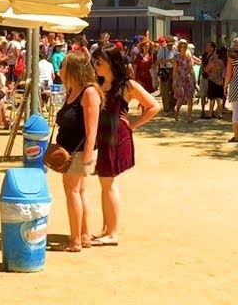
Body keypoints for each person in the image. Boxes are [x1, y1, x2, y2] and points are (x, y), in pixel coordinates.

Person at [92, 46, 161, 246]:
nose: (96, 66)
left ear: (111, 62)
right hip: (104, 136)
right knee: (105, 184)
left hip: (117, 135)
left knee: (108, 183)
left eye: (100, 62)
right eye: (95, 62)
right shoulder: (100, 83)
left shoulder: (127, 85)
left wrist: (132, 125)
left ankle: (112, 232)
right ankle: (106, 228)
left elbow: (153, 106)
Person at [54, 50, 102, 252]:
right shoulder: (72, 90)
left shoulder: (89, 92)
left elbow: (92, 131)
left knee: (72, 190)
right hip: (70, 150)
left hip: (81, 151)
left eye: (63, 65)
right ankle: (83, 235)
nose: (60, 69)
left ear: (73, 68)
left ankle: (75, 240)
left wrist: (86, 159)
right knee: (79, 191)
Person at [172, 39, 196, 122]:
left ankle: (189, 116)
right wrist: (174, 81)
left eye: (185, 47)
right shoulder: (176, 57)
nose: (184, 48)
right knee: (180, 97)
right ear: (179, 48)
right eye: (182, 47)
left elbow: (191, 69)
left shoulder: (188, 57)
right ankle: (177, 111)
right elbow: (174, 71)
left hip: (188, 79)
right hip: (179, 79)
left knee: (190, 99)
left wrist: (194, 80)